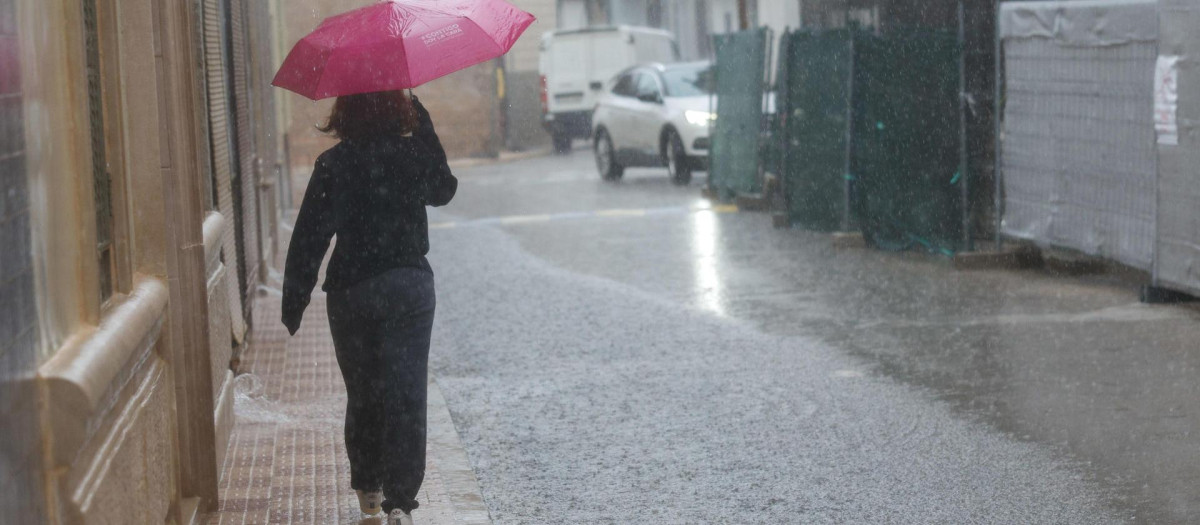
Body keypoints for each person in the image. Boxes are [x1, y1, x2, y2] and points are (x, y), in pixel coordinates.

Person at [281, 90, 457, 525]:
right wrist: (425, 124)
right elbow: (444, 189)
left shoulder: (333, 165)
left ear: (345, 112)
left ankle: (370, 497)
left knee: (365, 395)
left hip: (353, 293)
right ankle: (401, 501)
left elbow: (309, 237)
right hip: (408, 286)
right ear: (397, 109)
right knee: (407, 394)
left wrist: (295, 299)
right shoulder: (412, 153)